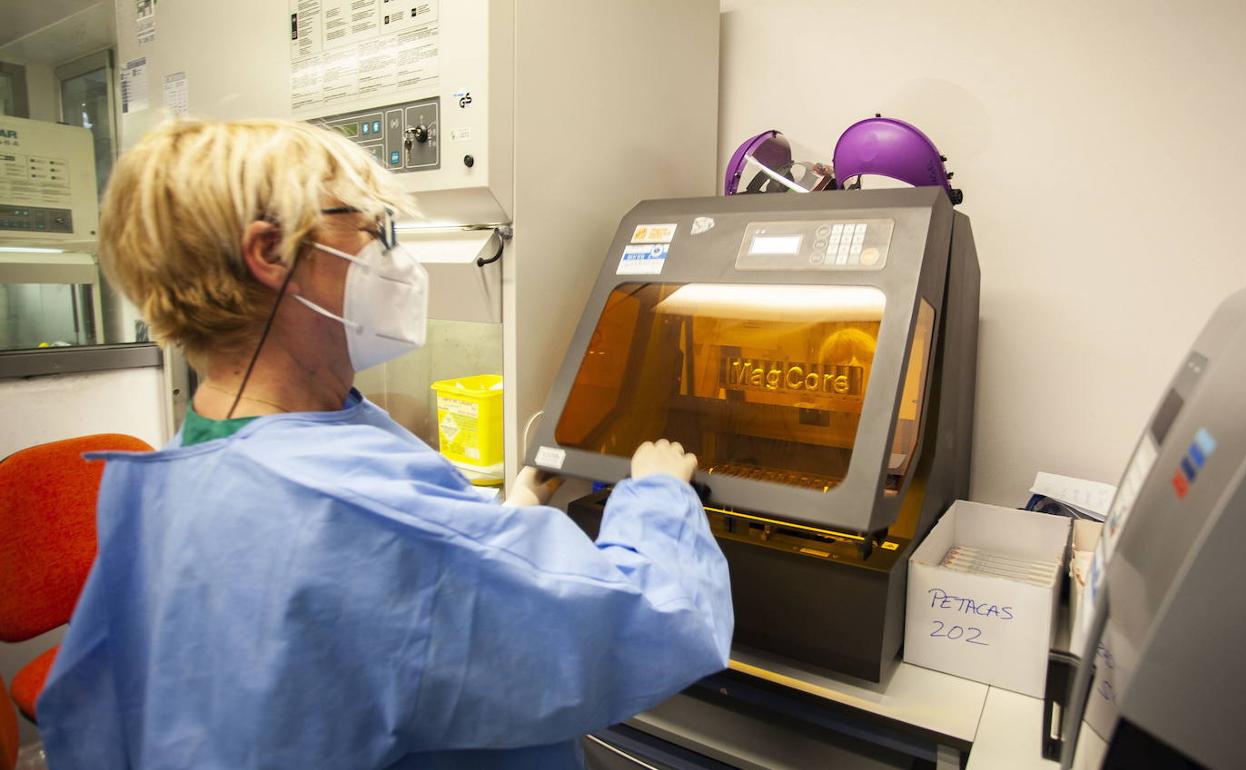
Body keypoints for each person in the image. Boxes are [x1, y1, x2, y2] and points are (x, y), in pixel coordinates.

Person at [37, 119, 733, 769]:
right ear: (270, 252)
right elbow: (648, 623)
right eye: (372, 227)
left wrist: (507, 523)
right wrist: (659, 500)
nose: (392, 255)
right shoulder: (348, 512)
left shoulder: (173, 474)